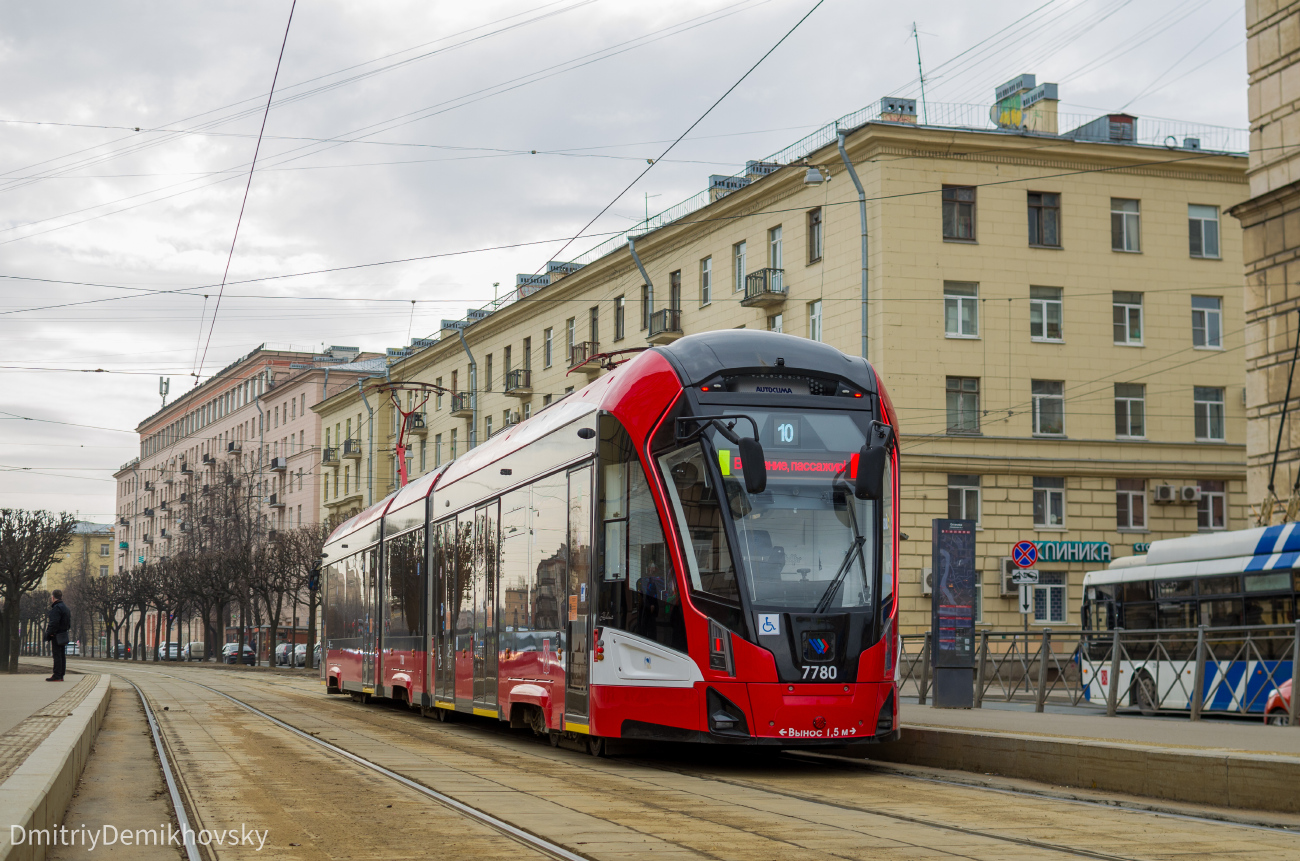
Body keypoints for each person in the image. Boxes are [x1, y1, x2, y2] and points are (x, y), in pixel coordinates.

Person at [45, 589, 71, 682]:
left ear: (53, 598)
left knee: (57, 655)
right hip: (63, 634)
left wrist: (50, 632)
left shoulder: (56, 608)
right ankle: (61, 674)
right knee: (62, 655)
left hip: (56, 635)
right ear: (61, 597)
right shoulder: (66, 608)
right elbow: (68, 623)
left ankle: (57, 675)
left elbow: (54, 622)